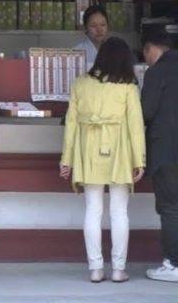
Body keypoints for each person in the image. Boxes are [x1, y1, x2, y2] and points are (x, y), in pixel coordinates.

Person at [60, 37, 146, 283]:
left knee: (93, 210)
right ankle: (119, 269)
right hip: (119, 148)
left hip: (88, 148)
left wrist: (66, 159)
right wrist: (139, 158)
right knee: (120, 212)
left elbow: (71, 125)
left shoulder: (80, 84)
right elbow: (135, 126)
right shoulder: (128, 86)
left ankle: (95, 268)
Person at [142, 31, 178, 282]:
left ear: (152, 49)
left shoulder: (156, 72)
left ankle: (173, 264)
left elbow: (146, 111)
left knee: (170, 207)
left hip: (167, 150)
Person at [75, 5, 109, 71]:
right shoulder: (77, 52)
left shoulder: (115, 51)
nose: (99, 30)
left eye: (103, 25)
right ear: (85, 28)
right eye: (93, 26)